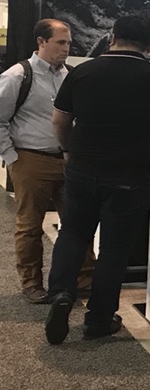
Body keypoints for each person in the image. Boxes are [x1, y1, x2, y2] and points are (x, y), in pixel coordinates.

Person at [45, 15, 150, 344]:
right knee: (114, 250)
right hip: (129, 179)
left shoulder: (83, 72)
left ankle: (61, 294)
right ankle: (99, 319)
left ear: (112, 37)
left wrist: (67, 151)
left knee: (73, 235)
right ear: (149, 45)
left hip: (81, 172)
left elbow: (60, 119)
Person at [0, 19, 94, 303]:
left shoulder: (72, 75)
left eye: (69, 43)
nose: (67, 48)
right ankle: (32, 283)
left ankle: (84, 278)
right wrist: (12, 157)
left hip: (68, 160)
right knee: (30, 225)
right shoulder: (18, 76)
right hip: (31, 159)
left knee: (78, 221)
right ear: (41, 42)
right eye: (60, 43)